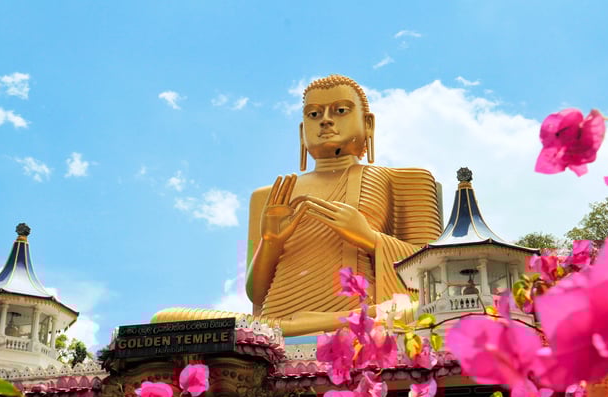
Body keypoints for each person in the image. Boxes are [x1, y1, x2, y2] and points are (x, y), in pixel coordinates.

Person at [154, 75, 442, 336]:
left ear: (368, 124)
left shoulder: (404, 180)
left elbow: (435, 278)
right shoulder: (270, 196)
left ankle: (318, 324)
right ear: (303, 130)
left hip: (371, 315)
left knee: (416, 311)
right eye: (314, 114)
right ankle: (304, 326)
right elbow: (256, 294)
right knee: (166, 319)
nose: (326, 121)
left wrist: (369, 238)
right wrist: (271, 241)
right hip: (274, 324)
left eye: (340, 110)